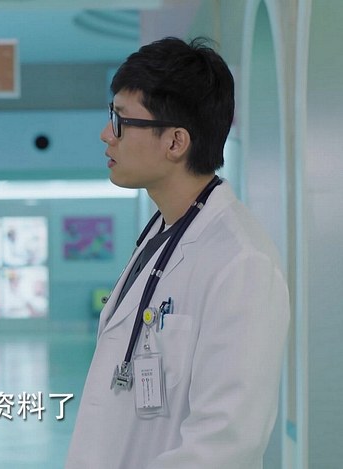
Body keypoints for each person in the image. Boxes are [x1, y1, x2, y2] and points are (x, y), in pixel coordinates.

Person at [65, 37, 289, 468]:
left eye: (120, 120)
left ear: (175, 142)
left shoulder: (242, 263)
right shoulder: (162, 233)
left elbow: (227, 443)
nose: (106, 134)